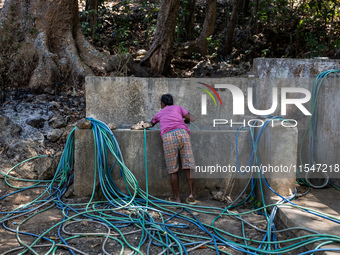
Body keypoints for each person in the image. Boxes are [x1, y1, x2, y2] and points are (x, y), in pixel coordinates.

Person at [150, 94, 196, 204]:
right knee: (188, 166)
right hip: (183, 134)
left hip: (169, 137)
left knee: (173, 170)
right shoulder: (178, 108)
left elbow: (151, 123)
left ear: (162, 104)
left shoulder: (159, 113)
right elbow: (192, 118)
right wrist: (182, 120)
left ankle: (177, 198)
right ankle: (191, 196)